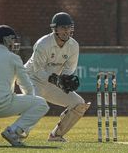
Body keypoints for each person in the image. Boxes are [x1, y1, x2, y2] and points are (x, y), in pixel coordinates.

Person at [0, 25, 49, 147]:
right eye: (12, 39)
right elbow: (25, 84)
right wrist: (30, 101)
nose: (14, 43)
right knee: (41, 103)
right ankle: (13, 132)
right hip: (2, 105)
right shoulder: (13, 58)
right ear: (6, 39)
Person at [24, 12, 90, 142]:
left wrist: (65, 80)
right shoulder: (43, 44)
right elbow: (37, 71)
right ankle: (19, 132)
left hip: (52, 83)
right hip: (32, 79)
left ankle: (56, 135)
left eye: (69, 27)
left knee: (79, 104)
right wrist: (55, 79)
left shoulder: (73, 45)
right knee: (36, 105)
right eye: (63, 28)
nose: (67, 31)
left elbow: (68, 70)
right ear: (55, 29)